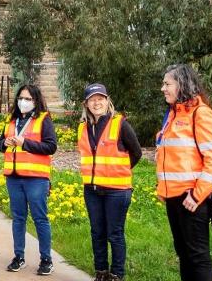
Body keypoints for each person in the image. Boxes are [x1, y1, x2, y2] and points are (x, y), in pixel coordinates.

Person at [157, 63, 212, 281]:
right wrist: (163, 188)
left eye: (167, 83)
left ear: (182, 84)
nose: (163, 88)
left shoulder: (201, 114)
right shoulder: (173, 115)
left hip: (192, 198)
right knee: (184, 254)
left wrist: (197, 194)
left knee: (198, 256)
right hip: (173, 197)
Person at [79, 83, 142, 281]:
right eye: (92, 99)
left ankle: (117, 274)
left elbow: (137, 152)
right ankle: (101, 271)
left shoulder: (119, 123)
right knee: (97, 232)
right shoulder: (82, 127)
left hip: (117, 190)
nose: (97, 102)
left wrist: (120, 171)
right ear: (86, 103)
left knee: (114, 233)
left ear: (107, 101)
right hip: (92, 189)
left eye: (100, 98)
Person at [0, 83, 57, 275]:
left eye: (28, 99)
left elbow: (50, 147)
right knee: (18, 218)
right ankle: (19, 256)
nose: (23, 102)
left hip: (36, 178)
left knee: (40, 219)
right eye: (21, 98)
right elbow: (0, 143)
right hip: (13, 177)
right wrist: (4, 143)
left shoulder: (43, 119)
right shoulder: (11, 119)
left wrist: (26, 143)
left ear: (36, 101)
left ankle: (46, 259)